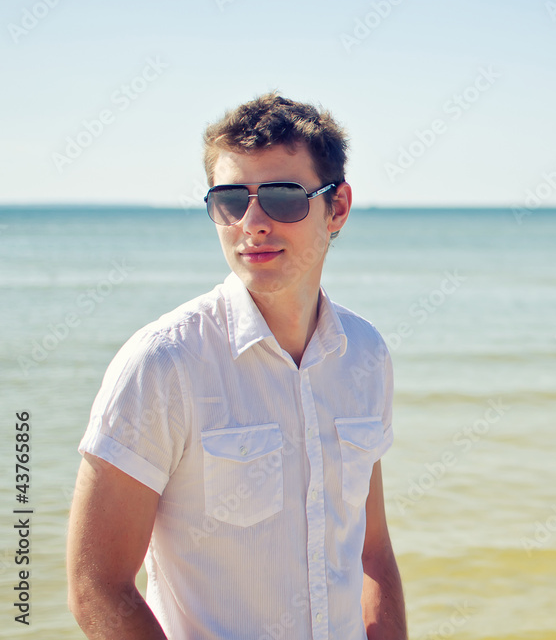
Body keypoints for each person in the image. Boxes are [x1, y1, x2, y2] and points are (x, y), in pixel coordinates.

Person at [66, 92, 407, 640]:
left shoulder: (364, 354)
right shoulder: (162, 363)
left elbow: (372, 552)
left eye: (281, 197)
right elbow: (97, 585)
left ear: (337, 207)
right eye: (230, 200)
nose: (252, 223)